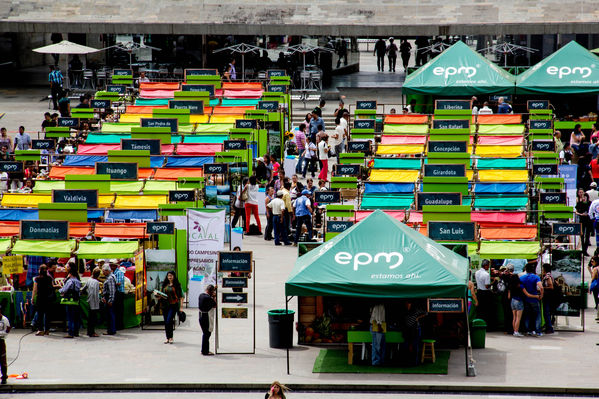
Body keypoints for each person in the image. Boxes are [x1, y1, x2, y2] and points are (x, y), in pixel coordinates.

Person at [159, 271, 183, 344]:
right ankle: (167, 337)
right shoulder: (164, 285)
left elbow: (181, 297)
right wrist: (158, 295)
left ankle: (171, 337)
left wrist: (181, 307)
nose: (169, 277)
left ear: (174, 276)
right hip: (164, 305)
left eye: (171, 276)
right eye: (168, 275)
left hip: (173, 305)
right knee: (166, 322)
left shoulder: (177, 285)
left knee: (169, 320)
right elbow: (161, 294)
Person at [520, 262, 544, 337]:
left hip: (526, 299)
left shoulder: (522, 278)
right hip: (535, 299)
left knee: (527, 315)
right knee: (537, 315)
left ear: (526, 269)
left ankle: (528, 330)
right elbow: (541, 287)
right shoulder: (536, 277)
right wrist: (541, 295)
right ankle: (538, 331)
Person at [59, 263, 81, 338]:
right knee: (75, 317)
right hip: (76, 300)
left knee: (70, 317)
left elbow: (64, 290)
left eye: (68, 267)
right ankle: (76, 332)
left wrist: (60, 290)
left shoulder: (70, 281)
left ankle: (70, 333)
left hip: (69, 300)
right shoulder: (77, 280)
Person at [33, 265, 55, 336]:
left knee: (40, 314)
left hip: (40, 298)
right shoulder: (49, 278)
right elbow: (52, 287)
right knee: (47, 314)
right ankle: (47, 330)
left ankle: (40, 330)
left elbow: (35, 289)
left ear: (40, 270)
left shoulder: (37, 279)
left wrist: (32, 298)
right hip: (48, 298)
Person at [506, 264, 526, 337]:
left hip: (512, 301)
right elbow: (526, 293)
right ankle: (516, 331)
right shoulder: (519, 286)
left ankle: (514, 330)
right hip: (518, 301)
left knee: (514, 317)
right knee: (518, 318)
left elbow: (509, 294)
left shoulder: (511, 285)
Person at [82, 267, 101, 337]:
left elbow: (84, 288)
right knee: (93, 318)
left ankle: (89, 331)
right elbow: (95, 293)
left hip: (90, 300)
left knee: (90, 317)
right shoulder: (96, 282)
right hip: (94, 302)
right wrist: (98, 301)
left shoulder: (89, 280)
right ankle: (92, 332)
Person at [198, 284, 217, 355]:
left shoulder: (201, 295)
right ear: (211, 292)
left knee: (205, 333)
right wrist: (214, 297)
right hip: (206, 317)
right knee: (207, 333)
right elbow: (215, 305)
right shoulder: (209, 299)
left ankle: (204, 349)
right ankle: (205, 351)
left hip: (200, 316)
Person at [475, 259, 492, 326]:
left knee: (480, 309)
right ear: (486, 266)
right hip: (485, 293)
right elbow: (487, 286)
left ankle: (479, 323)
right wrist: (492, 282)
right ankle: (485, 324)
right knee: (486, 310)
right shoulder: (486, 274)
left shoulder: (477, 272)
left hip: (479, 292)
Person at [102, 264, 117, 335]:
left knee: (110, 315)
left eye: (104, 271)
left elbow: (112, 290)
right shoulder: (110, 277)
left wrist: (110, 300)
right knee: (110, 314)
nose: (103, 273)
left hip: (109, 298)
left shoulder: (110, 278)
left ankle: (111, 330)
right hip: (108, 297)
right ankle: (110, 330)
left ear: (107, 271)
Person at [576, 190, 592, 255]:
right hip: (582, 220)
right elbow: (576, 211)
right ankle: (583, 249)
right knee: (582, 235)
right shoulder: (580, 203)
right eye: (583, 197)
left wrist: (589, 214)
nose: (584, 198)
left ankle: (585, 249)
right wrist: (581, 214)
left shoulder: (590, 203)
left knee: (587, 236)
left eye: (585, 197)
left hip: (588, 220)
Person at [110, 262, 125, 330]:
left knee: (119, 309)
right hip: (116, 292)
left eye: (112, 265)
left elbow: (118, 283)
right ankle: (117, 325)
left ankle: (119, 325)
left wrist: (111, 284)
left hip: (119, 293)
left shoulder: (119, 272)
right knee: (116, 309)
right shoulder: (113, 273)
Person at [541, 264, 555, 334]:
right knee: (547, 312)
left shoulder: (547, 276)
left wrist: (543, 288)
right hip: (548, 296)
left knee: (546, 312)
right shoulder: (549, 275)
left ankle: (549, 327)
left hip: (547, 296)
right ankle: (548, 326)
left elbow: (551, 287)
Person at [0, 305, 10, 384]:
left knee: (3, 360)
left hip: (1, 341)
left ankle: (4, 377)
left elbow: (7, 331)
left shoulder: (4, 320)